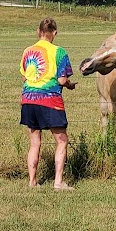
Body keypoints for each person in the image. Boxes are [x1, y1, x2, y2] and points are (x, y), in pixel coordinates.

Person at [20, 18, 76, 191]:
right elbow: (61, 79)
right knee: (61, 140)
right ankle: (58, 181)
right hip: (50, 100)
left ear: (38, 32)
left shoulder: (28, 51)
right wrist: (69, 85)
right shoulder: (59, 52)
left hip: (28, 99)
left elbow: (24, 77)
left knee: (35, 142)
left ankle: (32, 181)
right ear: (55, 33)